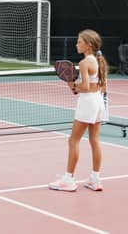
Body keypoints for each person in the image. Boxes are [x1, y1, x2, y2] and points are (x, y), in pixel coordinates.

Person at [49, 29, 108, 192]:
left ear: (88, 45)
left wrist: (73, 85)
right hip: (98, 102)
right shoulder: (98, 60)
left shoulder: (84, 63)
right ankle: (95, 180)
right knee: (94, 140)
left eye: (79, 42)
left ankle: (69, 179)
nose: (77, 44)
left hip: (88, 103)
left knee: (73, 140)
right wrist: (75, 87)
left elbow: (85, 87)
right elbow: (100, 87)